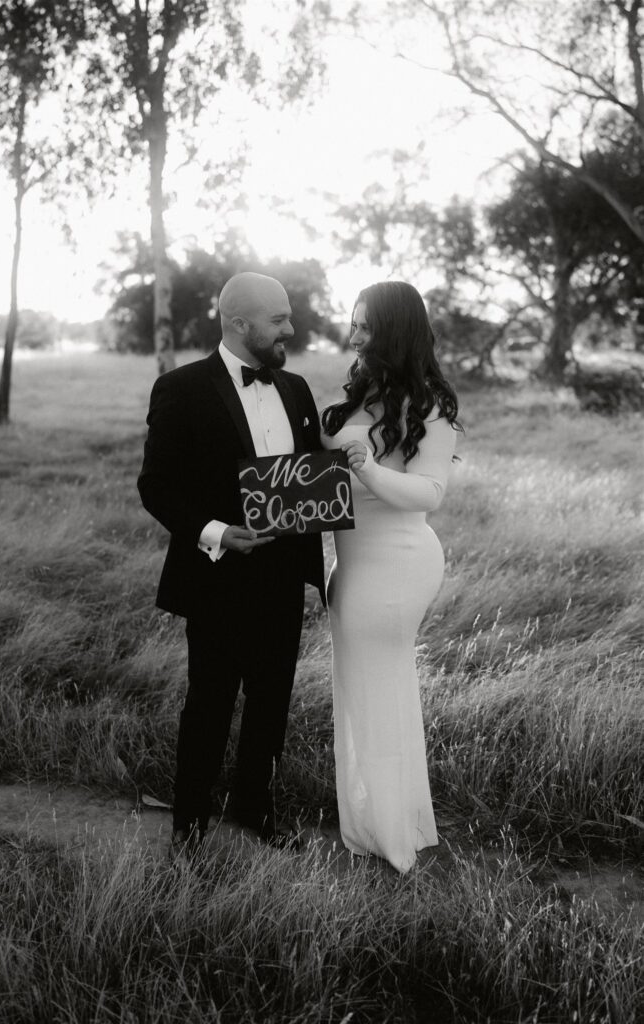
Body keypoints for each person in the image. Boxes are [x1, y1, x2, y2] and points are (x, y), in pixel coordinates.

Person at [138, 272, 325, 857]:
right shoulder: (181, 388)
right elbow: (157, 486)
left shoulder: (296, 389)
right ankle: (189, 826)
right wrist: (218, 531)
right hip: (218, 576)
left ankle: (254, 807)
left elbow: (310, 476)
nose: (290, 329)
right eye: (279, 320)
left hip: (281, 577)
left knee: (272, 703)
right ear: (240, 324)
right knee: (210, 705)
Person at [321, 280, 461, 873]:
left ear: (395, 329)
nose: (354, 335)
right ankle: (381, 817)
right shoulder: (360, 394)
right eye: (352, 324)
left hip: (399, 559)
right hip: (352, 560)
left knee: (378, 687)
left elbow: (429, 492)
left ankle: (390, 838)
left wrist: (370, 472)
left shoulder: (427, 404)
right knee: (363, 688)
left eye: (366, 326)